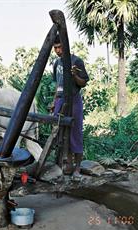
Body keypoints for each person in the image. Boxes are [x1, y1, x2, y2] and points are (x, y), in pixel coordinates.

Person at [50, 34, 89, 180]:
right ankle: (65, 164)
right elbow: (57, 85)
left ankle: (77, 168)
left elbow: (83, 83)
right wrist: (54, 102)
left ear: (66, 46)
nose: (58, 50)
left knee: (75, 133)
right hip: (60, 100)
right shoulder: (56, 63)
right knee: (58, 132)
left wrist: (74, 76)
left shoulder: (77, 61)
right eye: (55, 48)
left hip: (74, 99)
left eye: (60, 47)